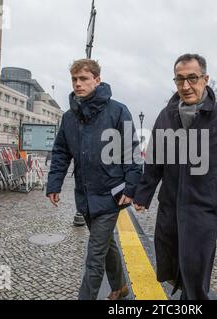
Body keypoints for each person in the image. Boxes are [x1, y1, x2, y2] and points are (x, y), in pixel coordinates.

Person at [133, 54, 217, 300]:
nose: (186, 86)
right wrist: (143, 194)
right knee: (176, 270)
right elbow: (155, 161)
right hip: (170, 209)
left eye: (192, 78)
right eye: (179, 80)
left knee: (196, 277)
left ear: (205, 79)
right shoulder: (166, 116)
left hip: (203, 212)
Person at [46, 59, 142, 300]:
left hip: (112, 195)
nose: (78, 84)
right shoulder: (69, 117)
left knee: (94, 255)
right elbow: (60, 152)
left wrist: (131, 188)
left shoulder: (118, 111)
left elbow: (132, 151)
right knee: (106, 244)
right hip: (85, 195)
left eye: (84, 79)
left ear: (97, 80)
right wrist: (54, 184)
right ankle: (120, 287)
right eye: (74, 80)